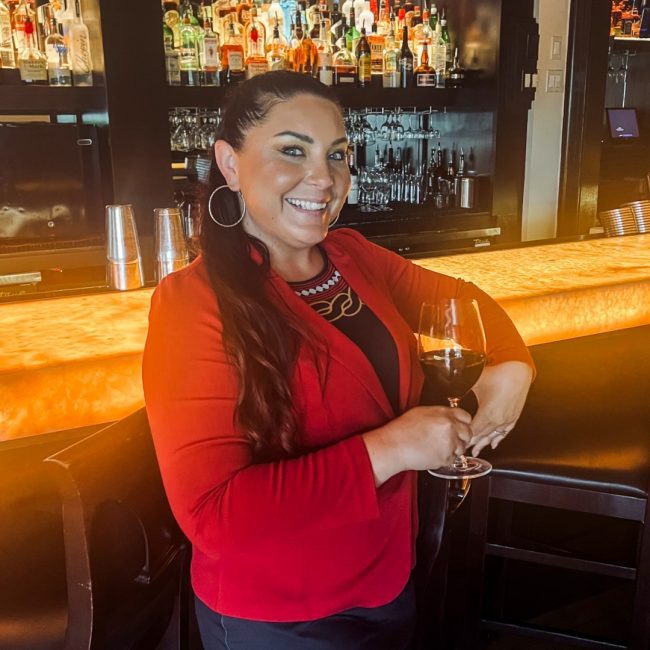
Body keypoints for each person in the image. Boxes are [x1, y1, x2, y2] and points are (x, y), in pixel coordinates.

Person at [142, 70, 534, 650]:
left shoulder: (351, 256)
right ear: (229, 163)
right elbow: (214, 514)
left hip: (387, 580)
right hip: (282, 615)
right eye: (292, 151)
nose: (323, 178)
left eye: (338, 155)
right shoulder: (191, 305)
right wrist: (393, 448)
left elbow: (461, 303)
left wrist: (515, 367)